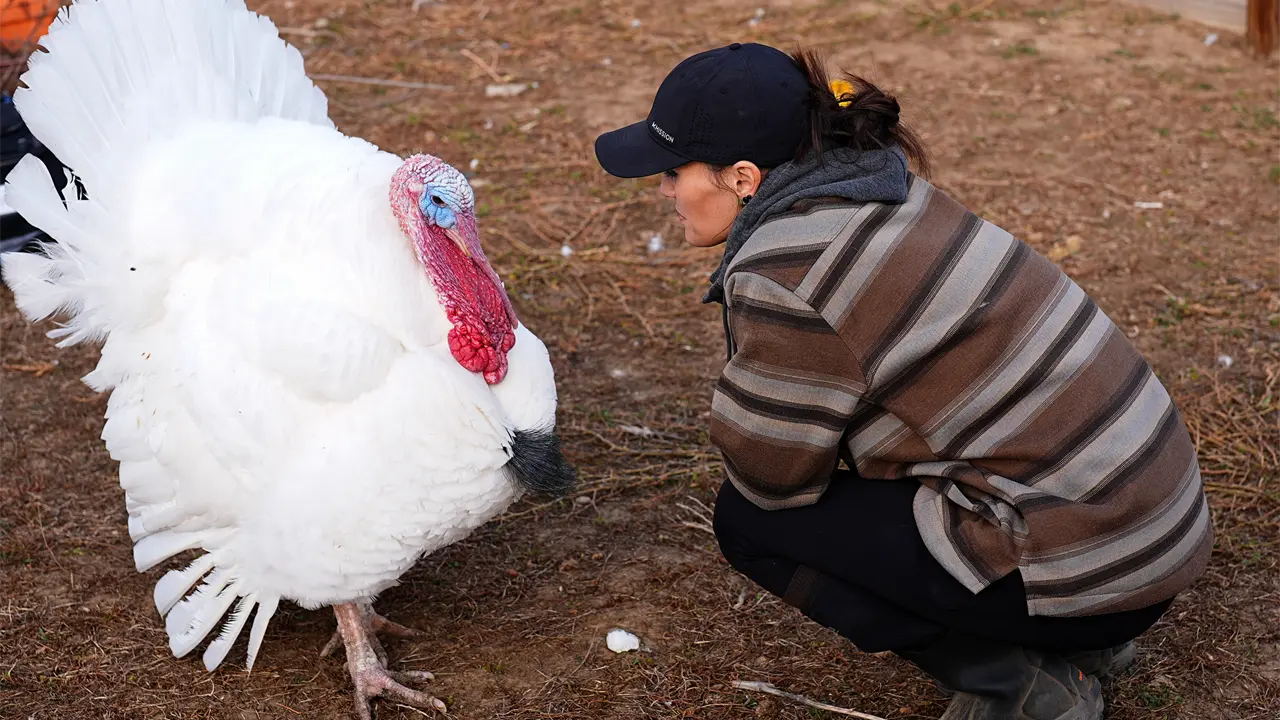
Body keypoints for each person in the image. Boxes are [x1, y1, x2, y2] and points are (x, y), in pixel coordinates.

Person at [593, 42, 1212, 720]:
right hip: (1147, 534)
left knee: (750, 523)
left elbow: (769, 475)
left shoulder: (787, 269)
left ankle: (1024, 690)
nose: (662, 190)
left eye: (673, 171)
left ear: (743, 177)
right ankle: (1077, 641)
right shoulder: (879, 186)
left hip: (1102, 569)